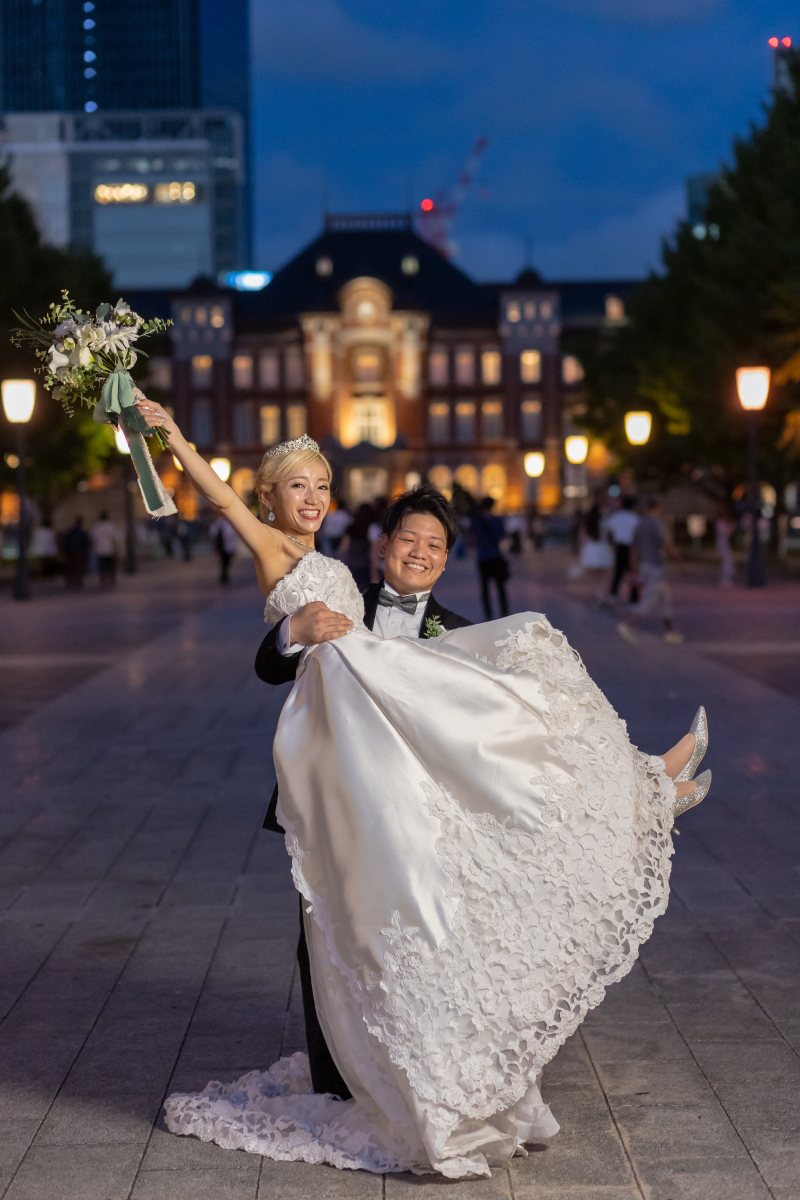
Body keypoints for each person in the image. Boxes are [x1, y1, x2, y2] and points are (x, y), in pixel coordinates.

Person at [132, 396, 712, 1178]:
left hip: (397, 763)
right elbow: (227, 515)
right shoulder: (285, 553)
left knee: (504, 688)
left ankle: (637, 783)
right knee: (333, 939)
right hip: (347, 760)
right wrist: (172, 439)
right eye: (296, 486)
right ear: (273, 496)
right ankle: (349, 1079)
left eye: (320, 487)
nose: (310, 498)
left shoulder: (398, 593)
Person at [255, 484, 472, 1101]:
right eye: (409, 539)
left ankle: (409, 1075)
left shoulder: (457, 634)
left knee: (409, 945)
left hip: (410, 821)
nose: (420, 552)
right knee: (324, 941)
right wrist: (293, 629)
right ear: (385, 546)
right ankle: (336, 1085)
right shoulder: (343, 602)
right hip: (333, 811)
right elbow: (268, 667)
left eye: (435, 545)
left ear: (447, 560)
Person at [617, 498, 683, 645]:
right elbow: (667, 544)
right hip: (656, 566)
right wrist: (681, 564)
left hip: (645, 566)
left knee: (665, 599)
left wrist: (634, 567)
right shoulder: (657, 523)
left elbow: (634, 548)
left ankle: (669, 632)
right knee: (650, 599)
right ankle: (628, 625)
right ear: (657, 508)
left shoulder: (639, 524)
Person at [471, 495, 510, 619]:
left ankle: (488, 614)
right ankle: (504, 612)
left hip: (482, 557)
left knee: (485, 587)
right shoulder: (497, 520)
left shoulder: (477, 521)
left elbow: (472, 538)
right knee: (500, 587)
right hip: (496, 556)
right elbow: (503, 536)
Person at [577, 498, 613, 602]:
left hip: (590, 550)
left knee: (594, 576)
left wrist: (581, 552)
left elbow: (581, 538)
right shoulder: (604, 522)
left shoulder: (587, 523)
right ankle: (600, 594)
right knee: (604, 575)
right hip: (602, 549)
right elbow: (611, 532)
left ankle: (597, 594)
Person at [606, 496, 640, 600]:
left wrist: (611, 545)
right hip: (630, 547)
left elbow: (609, 530)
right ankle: (634, 597)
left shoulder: (616, 516)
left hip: (619, 546)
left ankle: (614, 593)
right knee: (632, 572)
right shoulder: (635, 517)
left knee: (618, 571)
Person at [338, 503, 374, 590]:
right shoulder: (370, 528)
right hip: (365, 562)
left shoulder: (351, 527)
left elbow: (344, 546)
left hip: (351, 561)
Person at [208, 511, 237, 584]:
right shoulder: (218, 524)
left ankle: (224, 574)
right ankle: (224, 575)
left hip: (226, 546)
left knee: (226, 562)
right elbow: (213, 535)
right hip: (222, 546)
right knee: (224, 562)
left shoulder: (225, 524)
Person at [90, 511, 118, 588]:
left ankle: (103, 580)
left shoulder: (97, 526)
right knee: (110, 566)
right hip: (109, 549)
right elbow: (114, 538)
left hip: (100, 549)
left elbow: (93, 538)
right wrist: (116, 547)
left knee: (102, 566)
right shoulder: (110, 525)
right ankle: (112, 580)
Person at [61, 516, 90, 589]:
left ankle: (70, 581)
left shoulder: (70, 531)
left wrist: (65, 550)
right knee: (78, 568)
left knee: (71, 567)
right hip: (79, 552)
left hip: (70, 552)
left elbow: (65, 541)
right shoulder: (82, 532)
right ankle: (78, 581)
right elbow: (86, 543)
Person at [715, 507, 736, 588]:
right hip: (722, 544)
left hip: (724, 544)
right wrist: (732, 527)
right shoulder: (720, 523)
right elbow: (726, 533)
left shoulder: (721, 522)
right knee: (727, 561)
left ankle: (726, 578)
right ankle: (725, 579)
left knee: (728, 561)